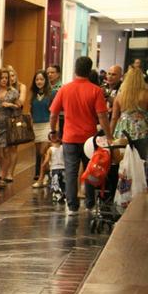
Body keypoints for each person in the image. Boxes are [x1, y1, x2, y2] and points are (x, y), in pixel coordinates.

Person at [49, 56, 114, 215]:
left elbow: (53, 113)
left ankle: (72, 207)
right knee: (91, 169)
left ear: (75, 69)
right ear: (90, 70)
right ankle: (90, 204)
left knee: (71, 171)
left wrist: (53, 130)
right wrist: (109, 136)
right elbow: (102, 116)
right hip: (89, 140)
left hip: (69, 137)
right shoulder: (95, 90)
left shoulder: (65, 89)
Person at [0, 68, 20, 186]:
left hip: (7, 124)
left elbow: (19, 107)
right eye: (2, 78)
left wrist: (11, 105)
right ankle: (2, 171)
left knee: (6, 151)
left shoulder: (13, 92)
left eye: (6, 78)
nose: (4, 80)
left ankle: (2, 176)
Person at [109, 67, 148, 142]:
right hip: (141, 130)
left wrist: (110, 136)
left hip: (122, 130)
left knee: (122, 152)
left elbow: (114, 118)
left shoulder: (120, 96)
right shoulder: (146, 94)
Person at [30, 70, 55, 186]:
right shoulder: (33, 95)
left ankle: (42, 178)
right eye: (37, 79)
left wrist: (54, 128)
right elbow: (31, 111)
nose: (39, 82)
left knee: (44, 152)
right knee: (40, 153)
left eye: (41, 79)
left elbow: (54, 111)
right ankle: (46, 174)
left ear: (46, 80)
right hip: (36, 126)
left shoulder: (51, 94)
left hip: (47, 125)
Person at [7, 66, 27, 182]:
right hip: (4, 119)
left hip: (16, 119)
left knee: (13, 147)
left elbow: (21, 102)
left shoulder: (21, 87)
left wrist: (10, 103)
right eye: (9, 76)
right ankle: (5, 170)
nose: (11, 78)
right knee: (3, 148)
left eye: (13, 75)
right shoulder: (2, 88)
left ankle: (10, 172)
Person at [43, 133, 65, 204]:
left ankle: (57, 195)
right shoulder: (63, 147)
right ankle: (64, 193)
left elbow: (47, 160)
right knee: (63, 182)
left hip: (54, 169)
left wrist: (43, 165)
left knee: (55, 183)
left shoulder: (50, 149)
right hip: (63, 168)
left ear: (50, 140)